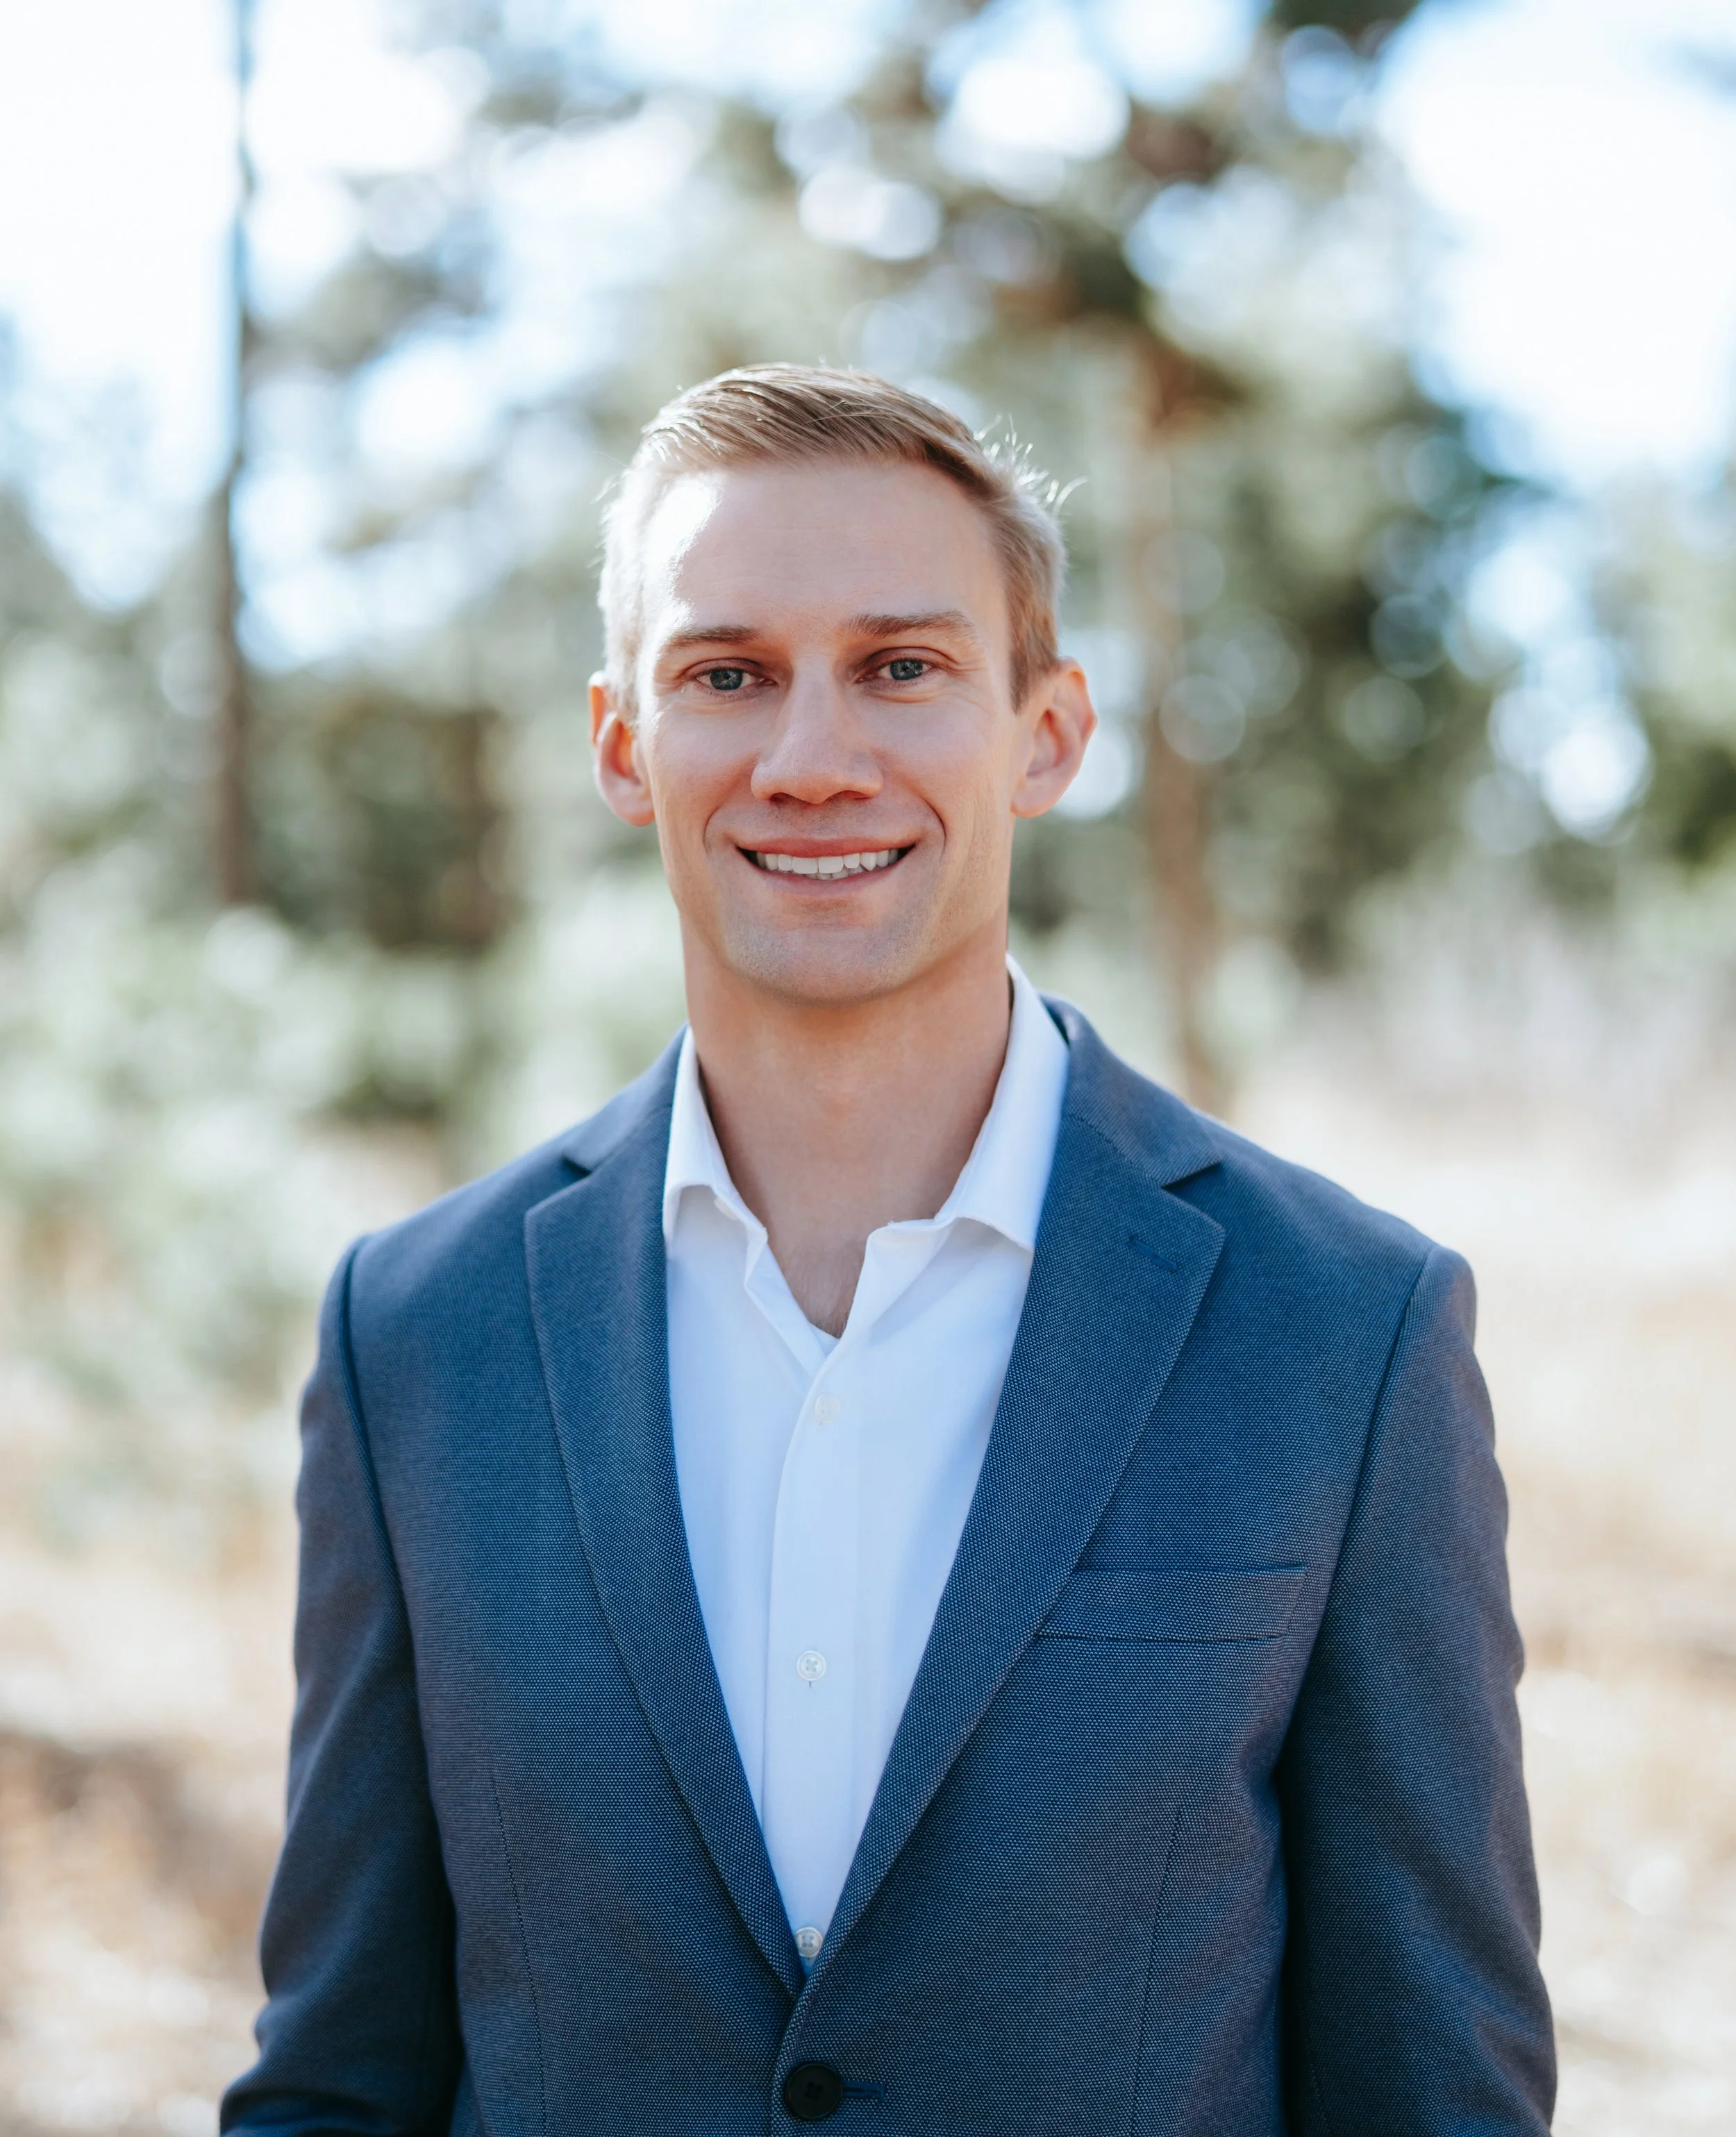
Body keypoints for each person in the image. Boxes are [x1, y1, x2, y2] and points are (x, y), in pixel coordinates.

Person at [223, 365, 1554, 2136]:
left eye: (902, 667)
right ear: (625, 743)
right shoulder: (416, 1336)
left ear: (1047, 732)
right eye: (726, 674)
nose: (810, 758)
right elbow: (340, 2076)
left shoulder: (1345, 1330)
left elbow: (1429, 2089)